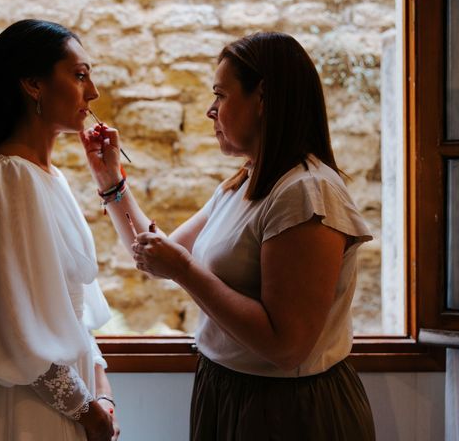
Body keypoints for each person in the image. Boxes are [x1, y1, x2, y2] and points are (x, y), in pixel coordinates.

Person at [80, 32, 376, 440]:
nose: (209, 110)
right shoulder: (245, 182)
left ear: (264, 97)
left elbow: (286, 346)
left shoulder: (307, 192)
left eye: (221, 95)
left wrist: (183, 269)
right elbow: (153, 254)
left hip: (287, 411)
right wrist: (110, 180)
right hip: (228, 392)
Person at [0, 19, 120, 441]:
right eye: (80, 75)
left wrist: (102, 392)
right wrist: (90, 414)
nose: (94, 92)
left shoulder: (50, 177)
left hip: (74, 399)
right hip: (29, 409)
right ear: (33, 84)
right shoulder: (10, 178)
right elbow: (20, 326)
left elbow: (73, 313)